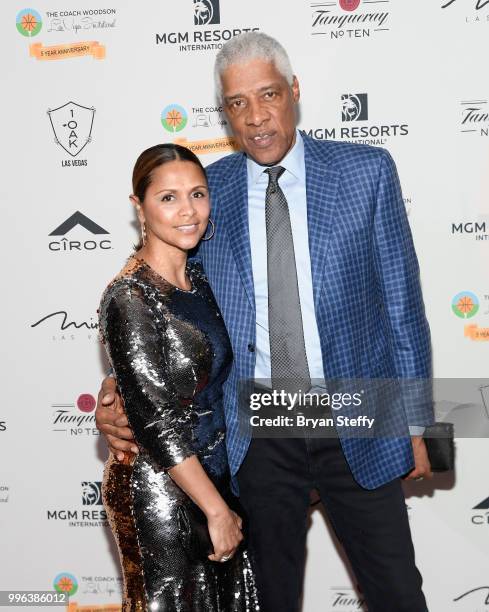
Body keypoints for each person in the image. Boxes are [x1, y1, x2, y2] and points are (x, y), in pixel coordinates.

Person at [96, 33, 434, 612]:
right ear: (223, 111)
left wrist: (420, 424)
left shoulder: (366, 172)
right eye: (237, 103)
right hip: (256, 427)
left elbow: (403, 308)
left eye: (268, 95)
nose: (255, 118)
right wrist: (118, 390)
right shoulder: (209, 192)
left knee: (397, 593)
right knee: (267, 599)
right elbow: (170, 302)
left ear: (294, 92)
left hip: (357, 409)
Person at [97, 143, 259, 611]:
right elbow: (155, 419)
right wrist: (215, 510)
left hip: (218, 477)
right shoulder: (130, 296)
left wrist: (223, 502)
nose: (188, 211)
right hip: (162, 492)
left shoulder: (203, 280)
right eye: (168, 198)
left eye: (198, 194)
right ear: (139, 207)